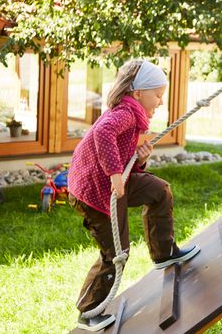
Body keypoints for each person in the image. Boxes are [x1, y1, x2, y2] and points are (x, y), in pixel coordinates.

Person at [68, 59, 200, 331]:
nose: (160, 102)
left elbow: (119, 150)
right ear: (138, 93)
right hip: (95, 192)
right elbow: (102, 133)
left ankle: (164, 252)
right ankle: (89, 311)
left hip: (116, 183)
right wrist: (116, 173)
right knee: (116, 253)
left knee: (158, 190)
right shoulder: (126, 112)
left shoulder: (134, 117)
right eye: (158, 95)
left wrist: (139, 161)